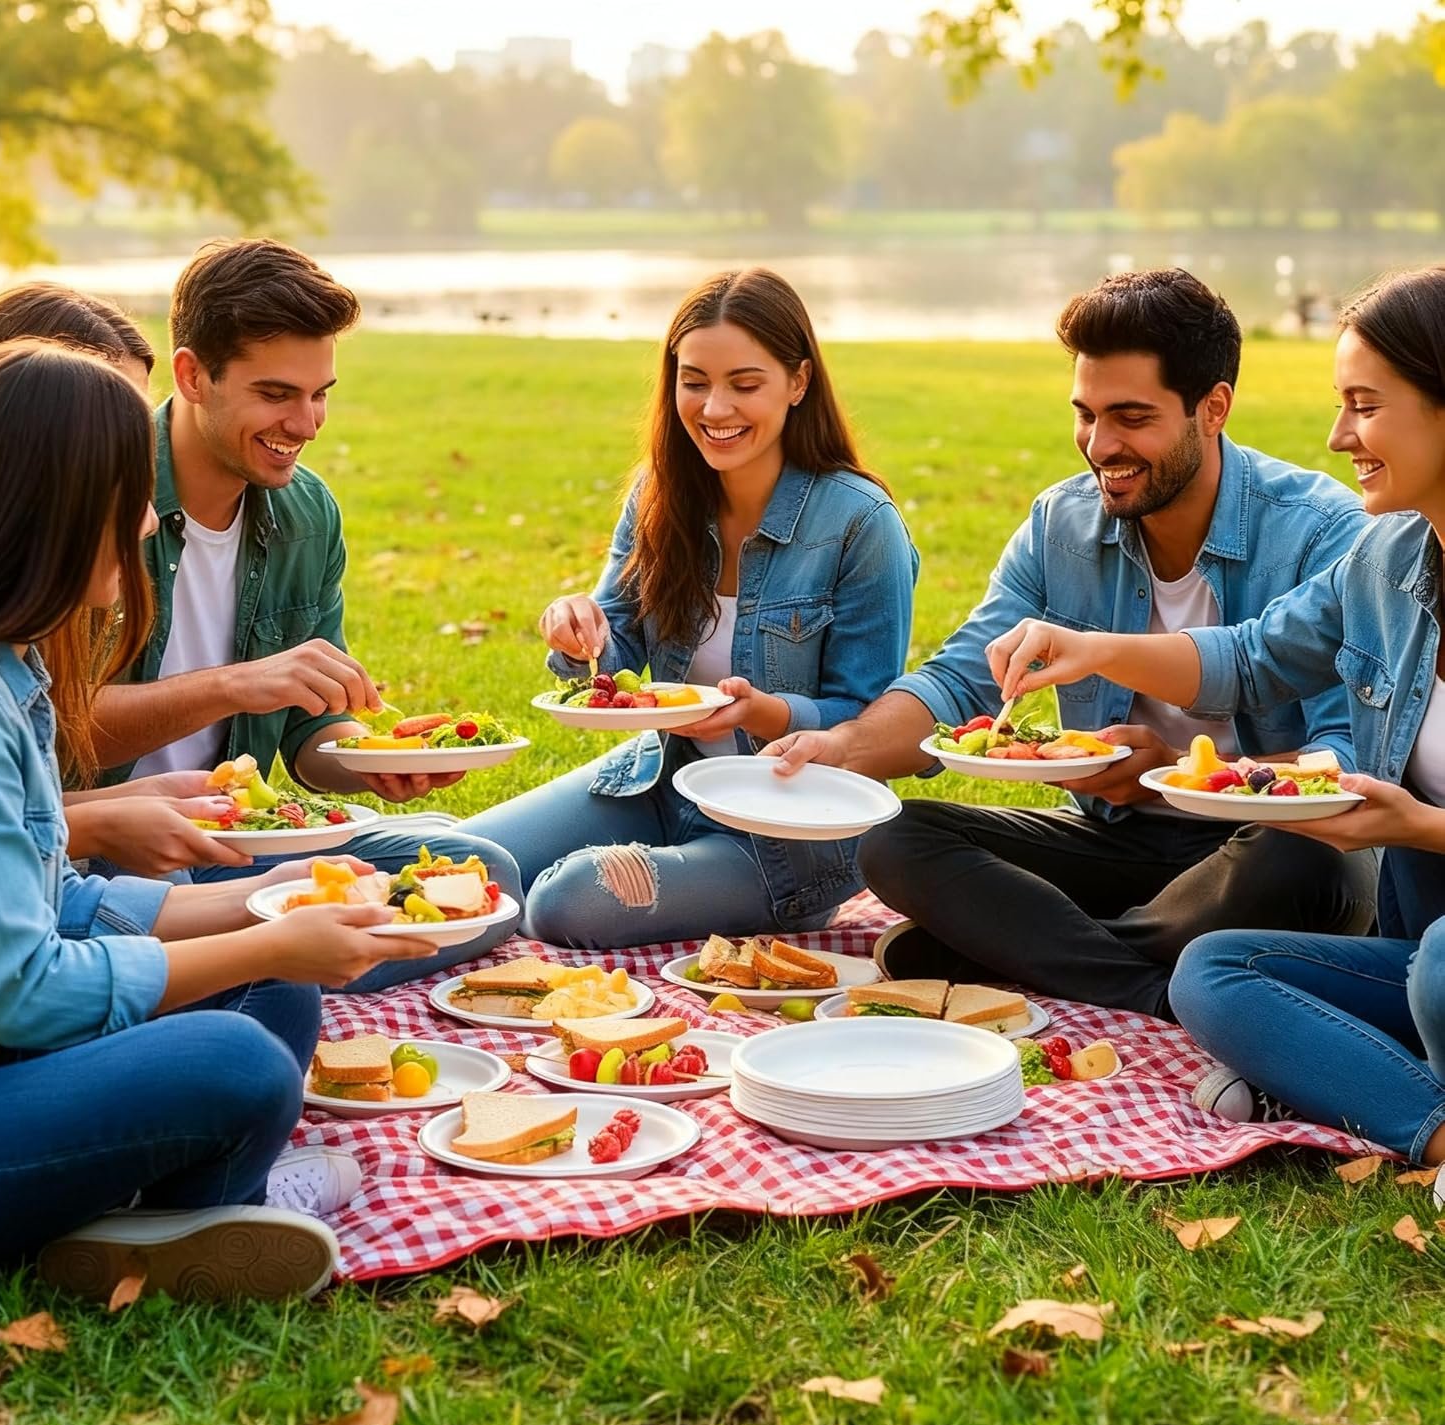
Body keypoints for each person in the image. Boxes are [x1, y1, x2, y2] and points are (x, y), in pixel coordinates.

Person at [0, 339, 441, 1295]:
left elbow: (57, 899)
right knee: (235, 1061)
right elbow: (28, 992)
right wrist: (261, 943)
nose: (140, 523)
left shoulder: (11, 666)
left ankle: (161, 1210)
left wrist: (266, 898)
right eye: (124, 496)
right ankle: (145, 1220)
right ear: (47, 505)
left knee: (278, 1000)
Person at [764, 268, 1374, 1019]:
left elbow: (1345, 760)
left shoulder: (1321, 531)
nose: (1100, 445)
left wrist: (1181, 773)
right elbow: (960, 682)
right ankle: (1154, 985)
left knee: (1302, 862)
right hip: (1116, 842)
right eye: (1085, 414)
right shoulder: (1062, 526)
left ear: (1212, 408)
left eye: (1131, 417)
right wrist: (844, 747)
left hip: (1258, 846)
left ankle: (1014, 951)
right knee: (896, 839)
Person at [988, 266, 1445, 1178]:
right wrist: (1096, 648)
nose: (1338, 434)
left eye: (1365, 404)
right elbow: (1250, 655)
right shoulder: (1391, 557)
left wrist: (1419, 826)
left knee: (1438, 969)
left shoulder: (1329, 527)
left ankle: (1365, 1082)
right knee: (1213, 974)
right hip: (1415, 938)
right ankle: (1434, 1129)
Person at [84, 240, 522, 977]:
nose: (308, 422)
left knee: (478, 871)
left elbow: (309, 736)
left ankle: (250, 963)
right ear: (193, 375)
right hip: (107, 852)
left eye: (321, 393)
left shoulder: (307, 513)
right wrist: (232, 685)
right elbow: (52, 731)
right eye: (277, 394)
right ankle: (221, 969)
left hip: (244, 846)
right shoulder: (102, 496)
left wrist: (374, 762)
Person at [456, 268, 918, 945]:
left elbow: (871, 723)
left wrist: (764, 712)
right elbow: (617, 655)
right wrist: (579, 630)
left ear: (798, 381)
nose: (715, 408)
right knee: (459, 865)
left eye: (745, 384)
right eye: (694, 381)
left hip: (783, 836)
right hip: (657, 782)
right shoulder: (659, 493)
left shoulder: (860, 523)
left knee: (565, 902)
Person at [0, 283, 254, 879]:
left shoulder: (21, 635)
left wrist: (133, 803)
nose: (146, 512)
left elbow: (10, 808)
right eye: (105, 448)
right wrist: (104, 821)